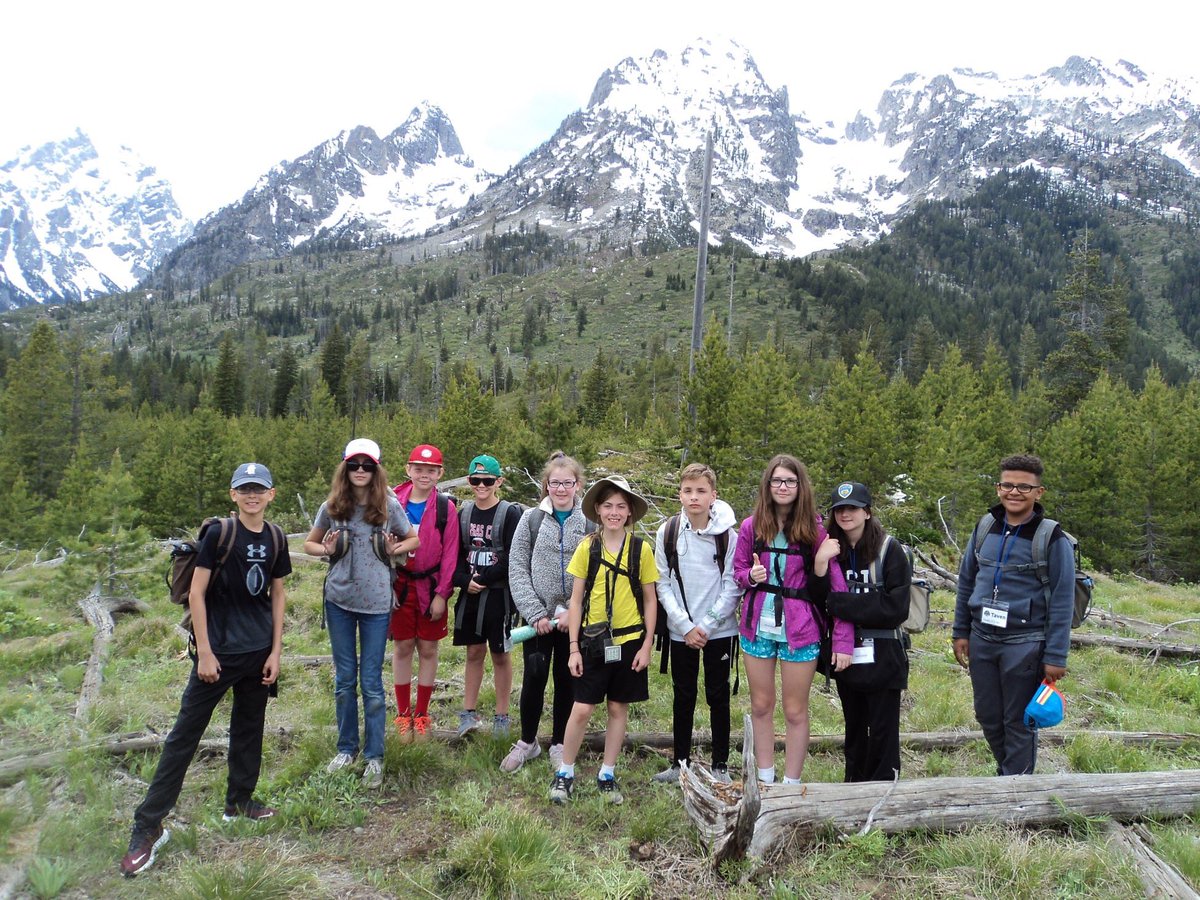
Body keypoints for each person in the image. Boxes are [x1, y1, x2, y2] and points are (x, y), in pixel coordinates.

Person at [120, 463, 291, 878]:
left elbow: (278, 595)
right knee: (183, 736)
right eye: (244, 489)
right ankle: (148, 827)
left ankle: (240, 801)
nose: (252, 495)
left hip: (257, 652)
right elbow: (196, 593)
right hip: (218, 653)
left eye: (259, 489)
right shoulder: (219, 533)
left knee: (249, 727)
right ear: (233, 495)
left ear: (271, 495)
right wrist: (207, 653)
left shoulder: (276, 537)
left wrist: (276, 652)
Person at [304, 439, 419, 787]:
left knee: (370, 682)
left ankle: (374, 756)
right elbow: (309, 544)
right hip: (338, 601)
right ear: (345, 467)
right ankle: (346, 748)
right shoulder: (332, 506)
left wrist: (393, 548)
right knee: (343, 680)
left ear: (376, 470)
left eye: (367, 465)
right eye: (354, 464)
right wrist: (324, 548)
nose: (360, 471)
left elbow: (412, 539)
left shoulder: (388, 506)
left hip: (377, 604)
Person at [732, 454, 852, 785]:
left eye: (790, 481)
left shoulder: (813, 532)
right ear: (767, 486)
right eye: (777, 481)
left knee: (795, 710)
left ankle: (791, 784)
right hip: (757, 628)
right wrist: (751, 576)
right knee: (760, 705)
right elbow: (738, 571)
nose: (783, 487)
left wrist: (843, 640)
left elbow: (837, 590)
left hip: (801, 631)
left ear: (800, 487)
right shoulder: (751, 527)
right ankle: (766, 780)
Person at [953, 454, 1074, 775]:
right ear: (998, 488)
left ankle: (1015, 790)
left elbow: (1063, 600)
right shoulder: (985, 527)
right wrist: (960, 631)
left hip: (1026, 643)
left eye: (1024, 486)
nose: (1014, 492)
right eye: (1007, 485)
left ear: (1039, 492)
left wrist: (1056, 656)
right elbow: (967, 580)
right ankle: (1009, 774)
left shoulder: (1051, 537)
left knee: (1018, 720)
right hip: (982, 639)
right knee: (988, 716)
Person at [550, 475, 658, 805]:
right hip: (593, 641)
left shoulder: (641, 550)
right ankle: (565, 771)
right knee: (581, 708)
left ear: (630, 513)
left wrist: (646, 645)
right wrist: (573, 648)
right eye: (608, 506)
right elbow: (577, 600)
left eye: (621, 507)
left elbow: (651, 600)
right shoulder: (588, 547)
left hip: (629, 642)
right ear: (598, 510)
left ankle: (607, 772)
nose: (614, 512)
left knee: (617, 707)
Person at [652, 462, 741, 785]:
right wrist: (685, 626)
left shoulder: (729, 537)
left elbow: (733, 584)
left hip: (720, 631)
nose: (694, 497)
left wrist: (707, 625)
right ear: (680, 494)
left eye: (701, 491)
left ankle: (720, 765)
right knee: (683, 695)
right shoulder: (668, 532)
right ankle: (680, 763)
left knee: (718, 696)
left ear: (713, 495)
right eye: (688, 491)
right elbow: (661, 583)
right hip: (681, 633)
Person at [503, 451, 590, 773]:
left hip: (574, 620)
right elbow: (517, 568)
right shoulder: (531, 519)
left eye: (568, 483)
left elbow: (595, 572)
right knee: (535, 675)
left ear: (578, 485)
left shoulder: (590, 521)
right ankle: (528, 742)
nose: (562, 489)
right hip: (538, 620)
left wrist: (573, 612)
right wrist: (535, 613)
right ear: (546, 485)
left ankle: (558, 743)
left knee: (568, 679)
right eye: (555, 483)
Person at [824, 481, 911, 782]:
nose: (845, 514)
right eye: (839, 509)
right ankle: (854, 787)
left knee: (884, 730)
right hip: (846, 654)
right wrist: (852, 603)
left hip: (884, 655)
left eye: (853, 508)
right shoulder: (830, 550)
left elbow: (895, 609)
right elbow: (817, 594)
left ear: (867, 512)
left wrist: (839, 603)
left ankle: (885, 790)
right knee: (855, 728)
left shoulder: (890, 550)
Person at [451, 454, 524, 738]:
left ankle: (502, 715)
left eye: (488, 481)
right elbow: (455, 555)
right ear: (469, 481)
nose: (481, 485)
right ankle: (468, 712)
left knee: (501, 654)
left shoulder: (509, 513)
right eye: (475, 480)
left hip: (498, 596)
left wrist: (483, 578)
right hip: (470, 596)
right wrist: (463, 580)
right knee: (473, 651)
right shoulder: (464, 514)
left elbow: (513, 557)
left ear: (499, 482)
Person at [391, 444, 460, 740]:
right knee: (403, 646)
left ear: (440, 474)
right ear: (408, 469)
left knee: (429, 648)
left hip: (430, 587)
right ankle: (403, 713)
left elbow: (450, 554)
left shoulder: (446, 507)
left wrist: (443, 594)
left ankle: (422, 713)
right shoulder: (393, 500)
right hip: (400, 585)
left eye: (431, 470)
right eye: (418, 468)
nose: (424, 474)